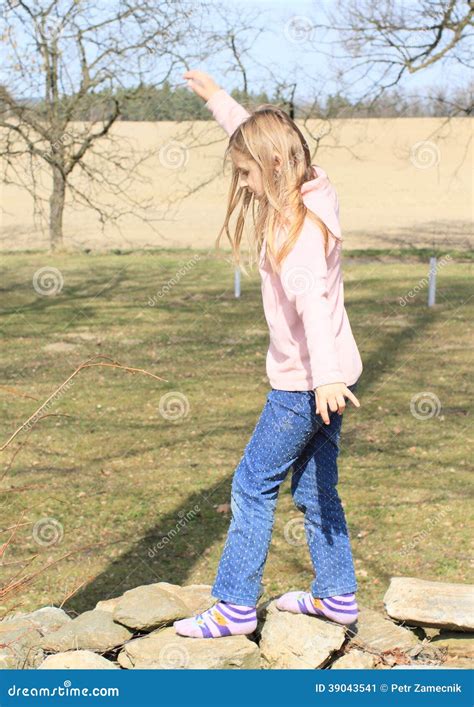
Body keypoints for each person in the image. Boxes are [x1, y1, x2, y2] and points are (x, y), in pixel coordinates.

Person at [174, 70, 363, 639]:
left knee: (251, 484)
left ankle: (232, 605)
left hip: (305, 384)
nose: (245, 185)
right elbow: (261, 138)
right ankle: (337, 594)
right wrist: (218, 101)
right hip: (328, 380)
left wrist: (323, 379)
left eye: (246, 174)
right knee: (314, 488)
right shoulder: (312, 187)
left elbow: (313, 305)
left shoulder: (298, 231)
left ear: (275, 167)